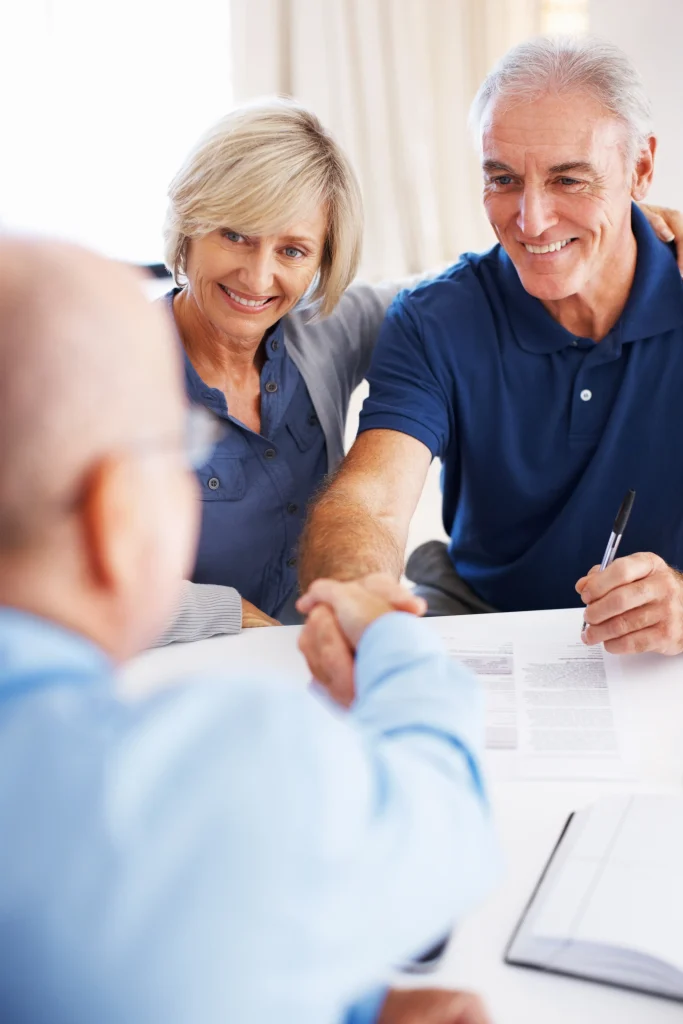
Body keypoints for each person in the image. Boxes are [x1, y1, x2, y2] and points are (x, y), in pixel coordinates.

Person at [0, 236, 497, 1024]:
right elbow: (451, 836)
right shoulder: (232, 774)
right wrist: (394, 645)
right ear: (116, 514)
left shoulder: (314, 336)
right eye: (179, 448)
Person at [155, 96, 683, 645]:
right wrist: (235, 618)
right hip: (181, 658)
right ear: (191, 222)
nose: (258, 276)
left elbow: (474, 283)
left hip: (303, 654)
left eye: (292, 250)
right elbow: (61, 570)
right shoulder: (110, 366)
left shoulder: (322, 329)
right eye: (234, 235)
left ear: (322, 262)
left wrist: (614, 225)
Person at [300, 35, 683, 661]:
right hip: (481, 624)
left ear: (641, 169)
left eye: (568, 179)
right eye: (503, 179)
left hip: (662, 655)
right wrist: (355, 590)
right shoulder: (435, 319)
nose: (530, 221)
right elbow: (368, 501)